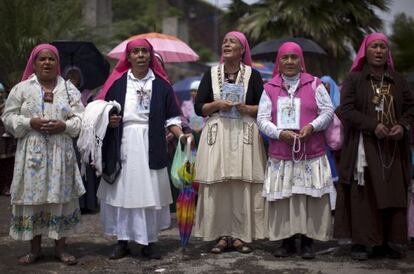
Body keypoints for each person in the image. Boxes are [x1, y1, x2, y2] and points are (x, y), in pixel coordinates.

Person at [95, 38, 191, 260]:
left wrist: (182, 137)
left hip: (152, 142)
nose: (140, 55)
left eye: (144, 51)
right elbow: (100, 110)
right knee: (123, 193)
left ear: (150, 55)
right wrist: (109, 121)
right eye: (135, 52)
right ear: (128, 57)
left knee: (151, 194)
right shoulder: (117, 83)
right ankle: (122, 241)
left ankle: (149, 241)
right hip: (123, 141)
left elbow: (172, 118)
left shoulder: (162, 85)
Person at [1, 44, 85, 265]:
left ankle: (60, 249)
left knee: (61, 198)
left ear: (58, 64)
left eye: (51, 59)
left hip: (60, 152)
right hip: (32, 152)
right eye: (42, 59)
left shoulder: (68, 90)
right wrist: (30, 122)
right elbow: (8, 119)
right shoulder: (21, 89)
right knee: (33, 198)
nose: (47, 63)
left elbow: (81, 119)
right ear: (35, 62)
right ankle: (35, 249)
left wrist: (64, 126)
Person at [334, 32, 414, 260]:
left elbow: (411, 108)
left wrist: (402, 125)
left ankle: (387, 242)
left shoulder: (398, 80)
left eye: (383, 47)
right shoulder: (355, 79)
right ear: (365, 51)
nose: (379, 51)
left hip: (392, 148)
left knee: (391, 194)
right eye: (374, 47)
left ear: (388, 52)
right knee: (364, 195)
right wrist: (372, 125)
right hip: (363, 146)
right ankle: (361, 242)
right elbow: (346, 110)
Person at [257, 42, 334, 259]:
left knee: (309, 197)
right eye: (285, 58)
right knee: (285, 198)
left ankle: (308, 242)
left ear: (301, 61)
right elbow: (262, 119)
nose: (289, 61)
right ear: (278, 63)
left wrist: (312, 126)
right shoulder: (269, 88)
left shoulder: (315, 84)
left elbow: (327, 112)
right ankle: (287, 242)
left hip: (310, 153)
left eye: (294, 57)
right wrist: (280, 133)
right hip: (282, 153)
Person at [193, 31, 266, 254]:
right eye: (224, 41)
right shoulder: (211, 73)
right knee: (219, 184)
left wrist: (249, 109)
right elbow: (199, 108)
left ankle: (241, 235)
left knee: (243, 184)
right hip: (218, 132)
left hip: (244, 132)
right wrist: (217, 104)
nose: (226, 44)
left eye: (232, 42)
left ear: (243, 49)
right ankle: (222, 236)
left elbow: (264, 107)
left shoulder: (253, 75)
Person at [63, 66, 100, 214]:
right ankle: (74, 205)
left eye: (75, 75)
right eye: (70, 75)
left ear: (80, 78)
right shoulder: (60, 93)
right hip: (68, 134)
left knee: (85, 167)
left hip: (84, 136)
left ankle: (88, 203)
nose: (72, 77)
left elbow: (93, 111)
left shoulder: (87, 94)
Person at [321, 75, 341, 210]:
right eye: (322, 83)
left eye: (327, 84)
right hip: (323, 145)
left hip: (337, 146)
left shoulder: (339, 105)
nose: (325, 86)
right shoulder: (319, 100)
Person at [0, 83, 17, 196]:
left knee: (8, 164)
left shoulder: (7, 104)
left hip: (7, 141)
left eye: (1, 92)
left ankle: (7, 186)